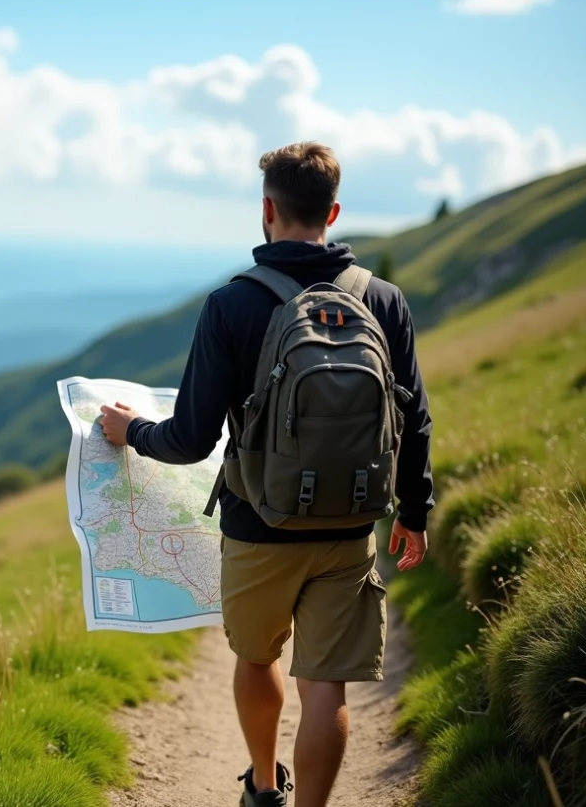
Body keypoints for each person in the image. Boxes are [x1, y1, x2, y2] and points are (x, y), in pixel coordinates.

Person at [99, 141, 434, 807]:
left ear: (267, 210)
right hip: (350, 522)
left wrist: (128, 431)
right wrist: (415, 513)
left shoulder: (232, 305)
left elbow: (191, 439)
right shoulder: (384, 300)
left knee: (257, 658)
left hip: (259, 525)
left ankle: (262, 784)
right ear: (333, 210)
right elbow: (414, 418)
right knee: (325, 685)